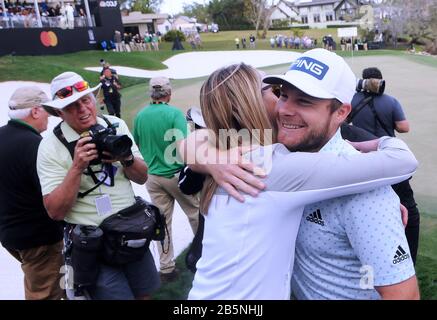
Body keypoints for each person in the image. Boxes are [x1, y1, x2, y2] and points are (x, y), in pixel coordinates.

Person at [179, 62, 418, 300]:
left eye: (303, 100)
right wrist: (375, 144)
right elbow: (403, 160)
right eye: (279, 94)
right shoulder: (272, 165)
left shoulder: (224, 153)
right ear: (248, 105)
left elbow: (190, 141)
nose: (284, 108)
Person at [37, 72, 159, 300]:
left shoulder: (115, 125)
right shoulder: (50, 147)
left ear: (95, 100)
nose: (82, 109)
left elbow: (142, 177)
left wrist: (126, 158)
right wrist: (76, 167)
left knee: (146, 294)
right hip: (93, 243)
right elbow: (55, 211)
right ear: (58, 112)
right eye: (72, 105)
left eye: (85, 100)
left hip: (131, 231)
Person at [350, 67, 420, 265]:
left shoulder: (352, 100)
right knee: (408, 211)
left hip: (362, 160)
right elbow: (403, 127)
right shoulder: (390, 101)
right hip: (388, 160)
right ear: (380, 81)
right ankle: (405, 260)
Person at [0, 86, 64, 300]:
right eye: (46, 110)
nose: (48, 116)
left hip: (11, 235)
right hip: (40, 240)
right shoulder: (36, 145)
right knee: (45, 294)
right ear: (35, 111)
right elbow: (52, 193)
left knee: (62, 284)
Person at [133, 77, 199, 282]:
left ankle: (166, 267)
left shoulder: (140, 116)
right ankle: (202, 256)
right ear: (168, 93)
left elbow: (138, 141)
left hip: (153, 177)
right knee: (196, 215)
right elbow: (184, 146)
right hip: (176, 174)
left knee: (162, 223)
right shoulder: (174, 114)